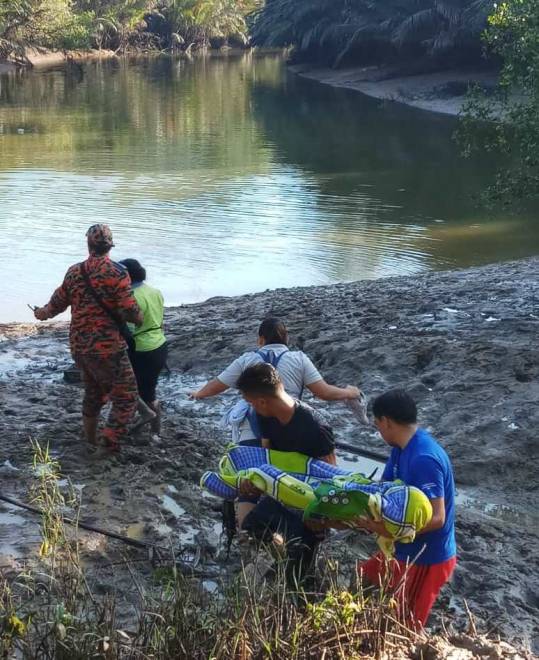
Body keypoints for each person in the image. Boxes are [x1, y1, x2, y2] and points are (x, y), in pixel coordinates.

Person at [33, 224, 143, 452]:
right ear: (110, 245)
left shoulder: (74, 271)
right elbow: (129, 310)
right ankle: (108, 443)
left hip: (79, 346)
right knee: (127, 398)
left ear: (88, 244)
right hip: (108, 348)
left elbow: (56, 305)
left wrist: (40, 313)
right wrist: (140, 318)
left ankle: (90, 439)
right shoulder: (118, 272)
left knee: (94, 393)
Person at [355, 389, 457, 630]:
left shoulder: (423, 458)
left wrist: (388, 530)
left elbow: (437, 518)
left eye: (377, 424)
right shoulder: (399, 449)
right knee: (364, 581)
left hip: (426, 556)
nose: (378, 430)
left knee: (403, 624)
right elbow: (383, 491)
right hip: (401, 546)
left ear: (386, 421)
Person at [234, 363, 336, 582]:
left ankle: (303, 583)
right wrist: (255, 483)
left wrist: (320, 515)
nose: (250, 407)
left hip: (310, 504)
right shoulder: (265, 416)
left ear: (262, 401)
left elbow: (333, 478)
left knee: (299, 575)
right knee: (253, 525)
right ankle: (280, 559)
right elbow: (267, 457)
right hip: (282, 493)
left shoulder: (315, 427)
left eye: (250, 402)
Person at [190, 317, 361, 443]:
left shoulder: (247, 359)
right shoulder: (299, 359)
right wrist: (350, 392)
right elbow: (324, 392)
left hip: (251, 427)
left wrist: (199, 393)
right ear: (286, 339)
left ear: (261, 340)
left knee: (248, 476)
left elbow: (218, 385)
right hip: (288, 423)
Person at [119, 259, 167, 435]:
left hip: (141, 348)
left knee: (130, 389)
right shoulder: (155, 292)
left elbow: (129, 331)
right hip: (160, 344)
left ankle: (148, 423)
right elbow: (160, 320)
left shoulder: (130, 297)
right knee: (148, 390)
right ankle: (155, 433)